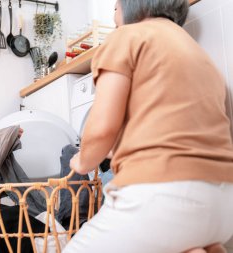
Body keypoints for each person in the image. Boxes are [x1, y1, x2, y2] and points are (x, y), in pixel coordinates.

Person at [64, 0, 233, 253]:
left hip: (161, 197)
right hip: (223, 204)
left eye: (115, 7)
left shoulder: (126, 37)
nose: (113, 15)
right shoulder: (201, 57)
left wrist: (82, 160)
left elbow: (101, 130)